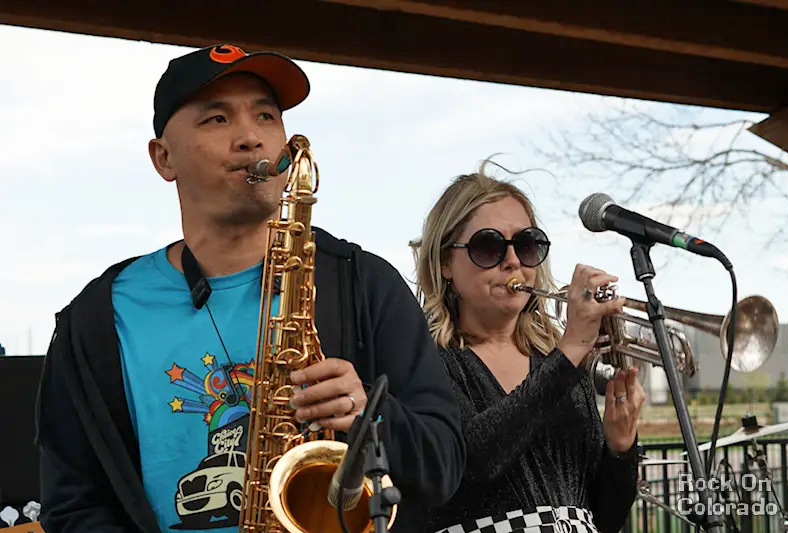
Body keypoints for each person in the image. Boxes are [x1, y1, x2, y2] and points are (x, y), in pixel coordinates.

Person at [34, 44, 466, 533]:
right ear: (163, 157)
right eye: (216, 119)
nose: (250, 138)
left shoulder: (365, 282)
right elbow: (71, 507)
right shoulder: (95, 318)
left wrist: (369, 413)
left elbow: (444, 467)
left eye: (266, 116)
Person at [410, 164, 645, 533]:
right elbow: (474, 458)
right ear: (444, 264)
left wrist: (620, 447)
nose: (513, 261)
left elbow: (605, 517)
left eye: (526, 244)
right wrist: (569, 353)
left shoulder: (563, 369)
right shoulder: (425, 360)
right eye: (488, 247)